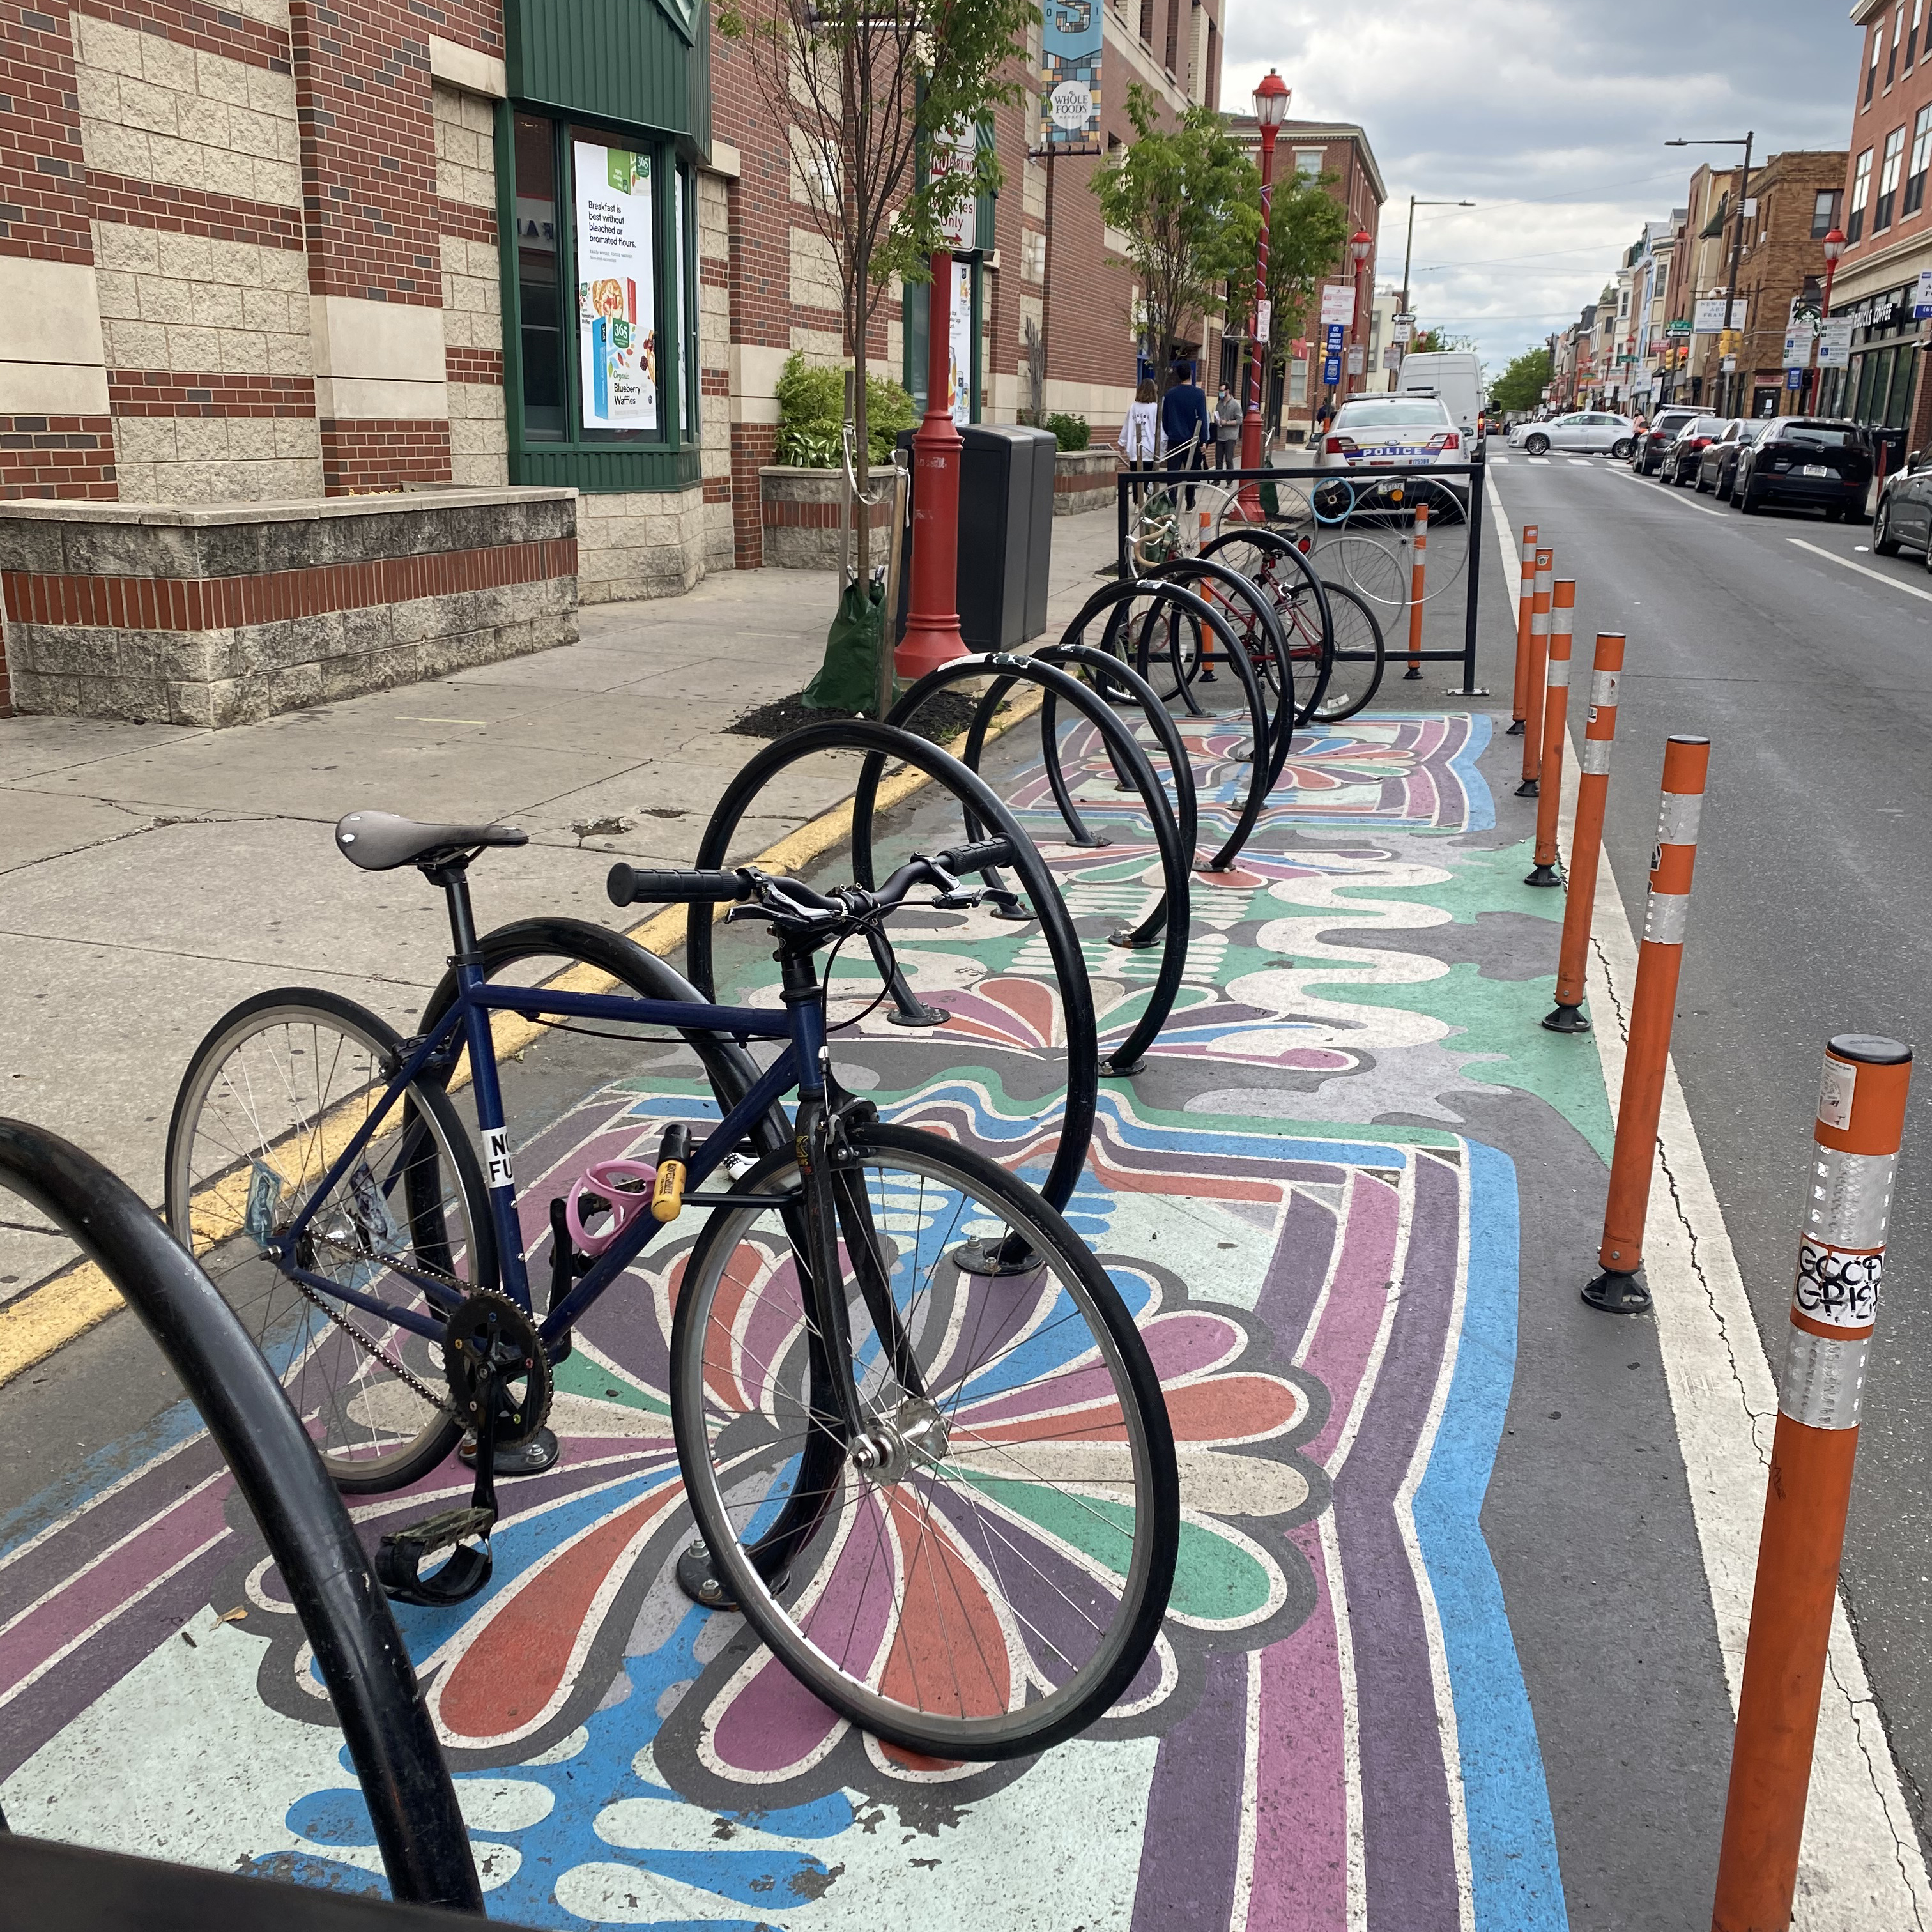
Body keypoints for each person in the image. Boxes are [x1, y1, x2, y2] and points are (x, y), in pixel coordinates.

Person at [1160, 364, 1209, 505]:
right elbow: (1202, 418)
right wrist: (1203, 440)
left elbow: (1165, 418)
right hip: (1193, 440)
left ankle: (1173, 499)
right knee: (1192, 472)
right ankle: (1189, 501)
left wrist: (1169, 432)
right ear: (1191, 375)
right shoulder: (1199, 394)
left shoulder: (1170, 394)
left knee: (1173, 472)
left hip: (1175, 439)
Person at [1118, 377, 1163, 471]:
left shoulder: (1134, 407)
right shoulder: (1156, 408)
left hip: (1134, 448)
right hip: (1150, 448)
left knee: (1136, 478)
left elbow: (1127, 425)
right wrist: (1163, 446)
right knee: (1146, 478)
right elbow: (1160, 429)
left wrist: (1122, 442)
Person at [1214, 382, 1243, 470]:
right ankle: (1217, 480)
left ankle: (1229, 480)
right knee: (1218, 459)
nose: (1220, 393)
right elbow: (1216, 417)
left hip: (1231, 436)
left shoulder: (1236, 405)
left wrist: (1226, 423)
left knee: (1229, 459)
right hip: (1220, 436)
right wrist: (1217, 421)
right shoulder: (1219, 404)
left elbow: (1239, 420)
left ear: (1228, 391)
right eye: (1219, 391)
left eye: (1222, 391)